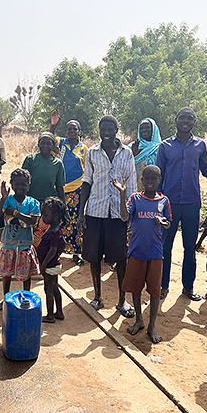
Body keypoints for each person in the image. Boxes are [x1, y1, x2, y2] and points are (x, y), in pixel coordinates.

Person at [156, 107, 207, 301]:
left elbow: (206, 169)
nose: (186, 121)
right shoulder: (165, 146)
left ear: (194, 122)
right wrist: (156, 200)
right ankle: (162, 285)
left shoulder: (200, 145)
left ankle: (188, 287)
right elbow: (159, 174)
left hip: (191, 204)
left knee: (190, 247)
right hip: (169, 204)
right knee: (165, 247)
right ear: (176, 120)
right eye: (182, 118)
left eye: (190, 118)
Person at [78, 115, 136, 316]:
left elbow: (132, 185)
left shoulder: (127, 153)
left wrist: (130, 215)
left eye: (111, 128)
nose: (107, 132)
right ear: (99, 130)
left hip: (118, 215)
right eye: (103, 128)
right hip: (95, 212)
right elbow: (87, 182)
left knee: (120, 258)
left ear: (116, 130)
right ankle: (97, 297)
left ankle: (122, 301)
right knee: (94, 256)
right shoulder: (92, 152)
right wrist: (81, 213)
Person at [115, 165, 171, 343]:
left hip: (155, 253)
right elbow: (124, 217)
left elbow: (168, 223)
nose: (149, 182)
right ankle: (139, 319)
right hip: (137, 252)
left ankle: (152, 326)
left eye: (153, 179)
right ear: (141, 180)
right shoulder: (135, 198)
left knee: (155, 291)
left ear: (158, 181)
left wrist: (163, 221)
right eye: (146, 178)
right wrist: (122, 194)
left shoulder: (163, 201)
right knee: (136, 288)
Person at [0, 169, 40, 309]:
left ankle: (27, 299)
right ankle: (6, 299)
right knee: (6, 274)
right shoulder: (7, 200)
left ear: (28, 186)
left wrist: (14, 213)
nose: (20, 187)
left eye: (23, 184)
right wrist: (3, 198)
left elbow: (32, 221)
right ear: (12, 184)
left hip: (25, 245)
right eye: (17, 184)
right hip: (8, 243)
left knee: (26, 275)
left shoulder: (33, 202)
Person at [50, 110, 88, 266]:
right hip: (59, 188)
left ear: (79, 132)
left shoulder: (84, 149)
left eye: (74, 129)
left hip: (76, 190)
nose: (71, 131)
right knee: (58, 220)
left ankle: (76, 253)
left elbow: (87, 168)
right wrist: (53, 126)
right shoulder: (60, 142)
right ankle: (57, 250)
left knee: (75, 221)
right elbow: (48, 140)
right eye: (69, 129)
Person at [22, 131, 65, 247]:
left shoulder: (58, 164)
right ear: (38, 145)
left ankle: (43, 260)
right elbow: (22, 181)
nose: (45, 146)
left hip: (49, 206)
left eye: (48, 143)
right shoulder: (30, 160)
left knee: (46, 235)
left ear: (53, 146)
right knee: (30, 232)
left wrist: (63, 209)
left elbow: (60, 187)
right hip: (32, 202)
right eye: (42, 143)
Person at [37, 196, 67, 323]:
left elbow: (52, 250)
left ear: (55, 216)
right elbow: (64, 243)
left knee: (48, 290)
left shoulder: (54, 231)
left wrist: (44, 264)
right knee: (54, 288)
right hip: (53, 264)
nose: (43, 217)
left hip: (50, 266)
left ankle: (50, 316)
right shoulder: (55, 229)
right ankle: (59, 312)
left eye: (46, 215)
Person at [130, 118, 162, 191]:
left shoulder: (161, 148)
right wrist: (133, 156)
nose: (144, 130)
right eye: (142, 128)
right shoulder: (132, 147)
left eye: (147, 127)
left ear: (153, 130)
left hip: (156, 190)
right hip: (136, 189)